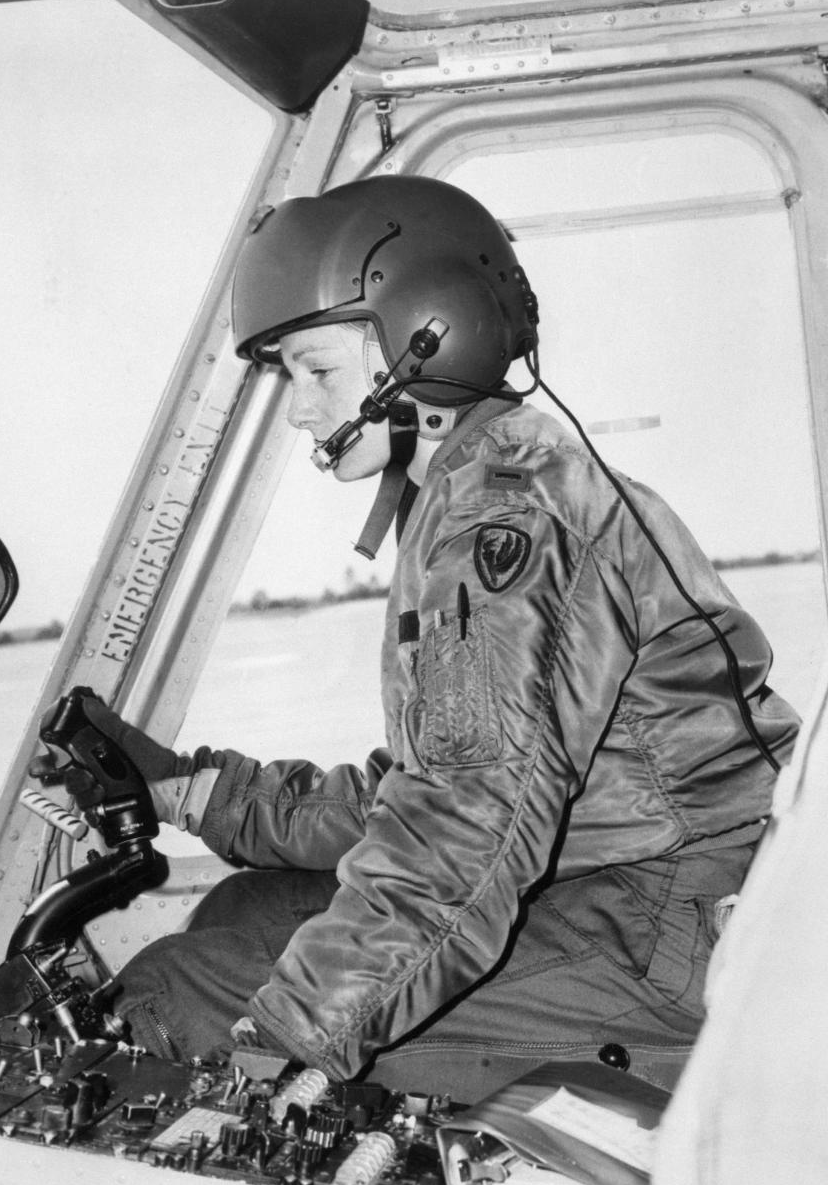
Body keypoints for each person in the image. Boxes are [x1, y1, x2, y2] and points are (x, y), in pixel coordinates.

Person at [77, 176, 798, 1103]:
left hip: (668, 933)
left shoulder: (506, 518)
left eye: (318, 370)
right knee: (242, 908)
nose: (298, 408)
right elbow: (425, 790)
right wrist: (200, 796)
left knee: (179, 994)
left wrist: (289, 1036)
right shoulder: (490, 482)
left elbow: (465, 830)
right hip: (639, 895)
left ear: (429, 337)